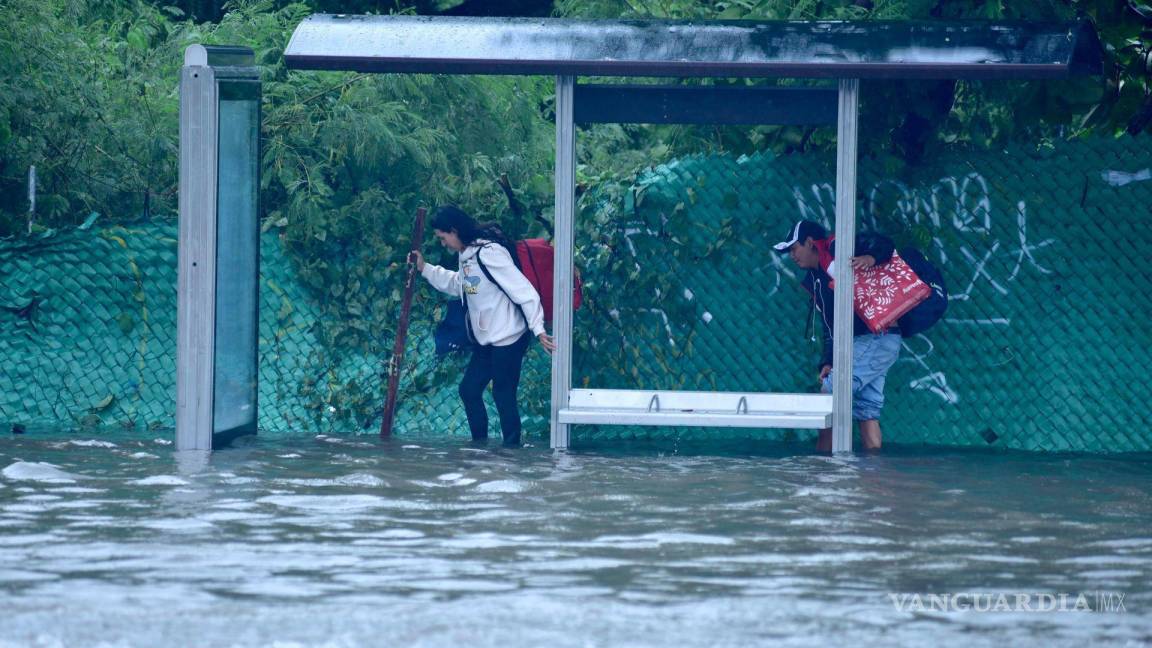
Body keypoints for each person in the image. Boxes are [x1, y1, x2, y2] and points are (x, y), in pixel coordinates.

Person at [410, 205, 556, 447]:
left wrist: (538, 328)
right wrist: (425, 269)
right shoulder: (466, 255)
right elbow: (463, 285)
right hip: (487, 340)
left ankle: (511, 452)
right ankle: (480, 449)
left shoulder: (489, 253)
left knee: (502, 393)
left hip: (509, 336)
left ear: (454, 230)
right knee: (469, 390)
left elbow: (523, 290)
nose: (443, 243)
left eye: (443, 236)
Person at [774, 220, 901, 452]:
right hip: (873, 341)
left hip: (875, 336)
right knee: (867, 410)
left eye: (794, 248)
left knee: (829, 395)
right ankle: (873, 473)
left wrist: (870, 258)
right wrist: (828, 361)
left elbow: (885, 244)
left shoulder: (836, 249)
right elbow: (830, 325)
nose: (791, 255)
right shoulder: (815, 278)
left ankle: (824, 469)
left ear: (810, 243)